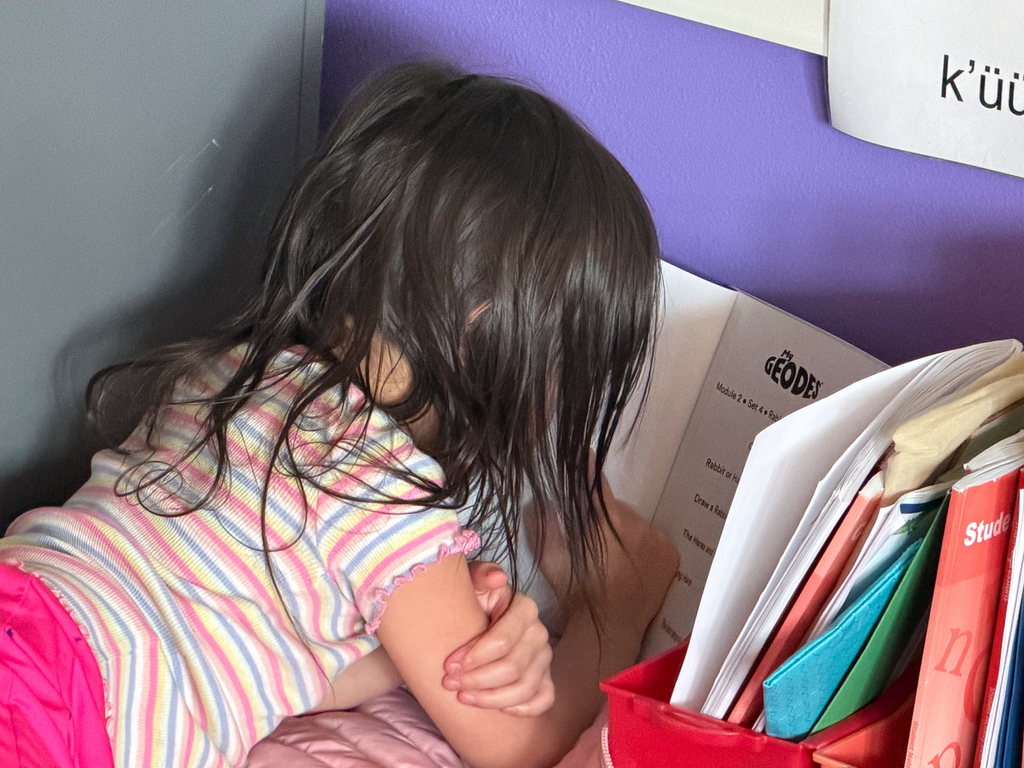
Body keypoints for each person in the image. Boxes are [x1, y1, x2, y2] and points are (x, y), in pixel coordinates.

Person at [0, 62, 679, 768]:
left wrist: (413, 638)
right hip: (50, 702)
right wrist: (616, 609)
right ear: (489, 331)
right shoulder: (380, 487)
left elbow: (273, 674)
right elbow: (524, 749)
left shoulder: (236, 374)